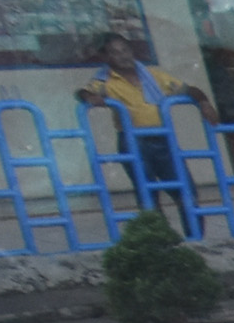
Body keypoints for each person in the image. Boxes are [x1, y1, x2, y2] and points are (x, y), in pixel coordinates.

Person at [75, 31, 211, 215]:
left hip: (163, 140)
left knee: (187, 194)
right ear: (106, 57)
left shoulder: (154, 76)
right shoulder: (104, 81)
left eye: (125, 50)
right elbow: (82, 92)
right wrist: (90, 96)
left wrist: (204, 102)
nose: (122, 56)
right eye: (115, 52)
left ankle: (195, 240)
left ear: (131, 51)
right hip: (133, 143)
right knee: (149, 198)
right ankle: (159, 241)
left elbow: (189, 90)